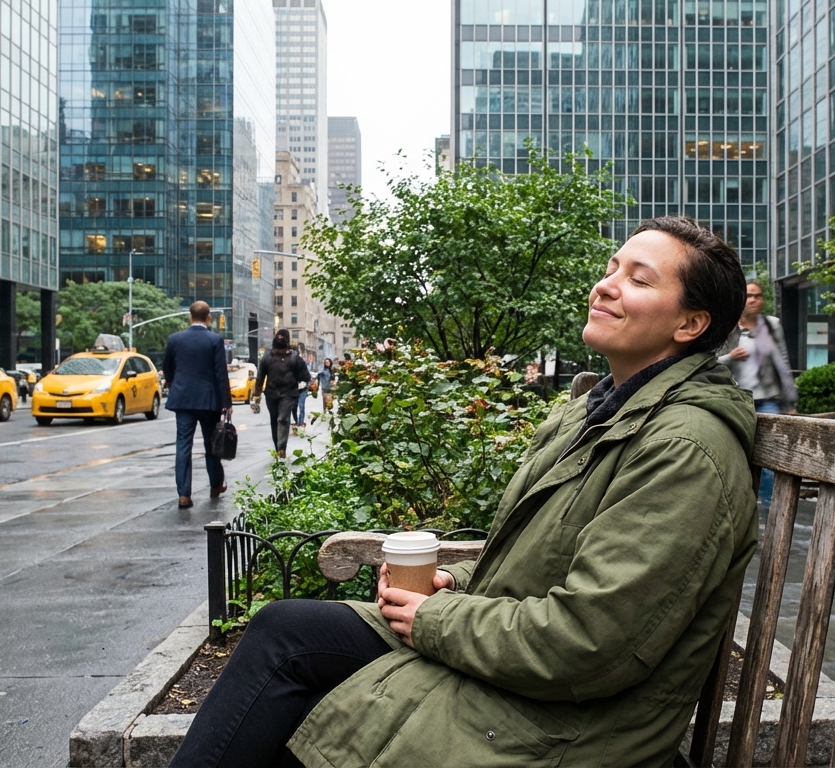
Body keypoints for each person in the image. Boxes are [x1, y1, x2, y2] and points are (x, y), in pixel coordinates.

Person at [169, 216, 755, 767]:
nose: (606, 286)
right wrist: (457, 582)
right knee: (284, 631)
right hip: (519, 669)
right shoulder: (600, 410)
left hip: (570, 725)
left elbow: (590, 643)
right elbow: (538, 563)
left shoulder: (684, 450)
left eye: (638, 279)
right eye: (611, 268)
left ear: (689, 324)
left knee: (304, 723)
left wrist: (436, 617)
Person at [717, 280, 797, 504]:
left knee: (770, 457)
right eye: (749, 295)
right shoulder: (728, 327)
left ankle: (772, 507)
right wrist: (731, 357)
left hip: (768, 399)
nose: (754, 300)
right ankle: (743, 504)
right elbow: (710, 363)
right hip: (737, 402)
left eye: (758, 295)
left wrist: (789, 402)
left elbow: (782, 361)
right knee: (739, 456)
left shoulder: (771, 325)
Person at [163, 301, 233, 509]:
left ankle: (184, 495)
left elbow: (167, 368)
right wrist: (226, 402)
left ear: (189, 316)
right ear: (209, 317)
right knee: (212, 445)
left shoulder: (175, 340)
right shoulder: (215, 340)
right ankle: (215, 485)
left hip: (183, 400)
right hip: (208, 401)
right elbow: (221, 373)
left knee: (183, 445)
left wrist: (177, 384)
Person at [254, 330, 310, 460]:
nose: (280, 338)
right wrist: (256, 395)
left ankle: (282, 448)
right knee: (274, 420)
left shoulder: (294, 357)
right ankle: (278, 449)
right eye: (278, 336)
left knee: (282, 419)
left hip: (289, 394)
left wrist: (308, 384)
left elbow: (305, 376)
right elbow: (260, 376)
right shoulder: (268, 357)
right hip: (271, 394)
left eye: (283, 336)